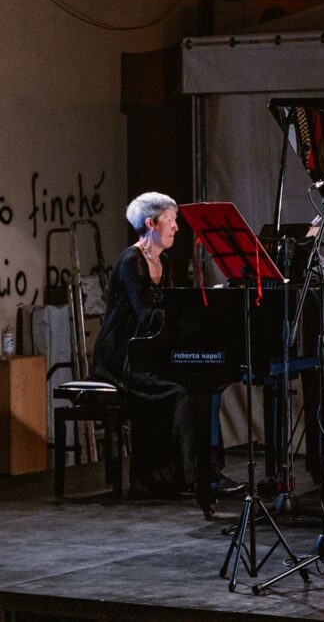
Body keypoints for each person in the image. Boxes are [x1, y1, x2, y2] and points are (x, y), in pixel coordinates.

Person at [91, 192, 227, 517]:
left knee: (198, 388)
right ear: (151, 224)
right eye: (171, 220)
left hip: (146, 352)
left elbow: (164, 311)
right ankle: (187, 478)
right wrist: (183, 315)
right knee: (177, 393)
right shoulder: (131, 261)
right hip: (120, 356)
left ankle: (201, 473)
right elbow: (145, 313)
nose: (177, 227)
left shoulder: (163, 263)